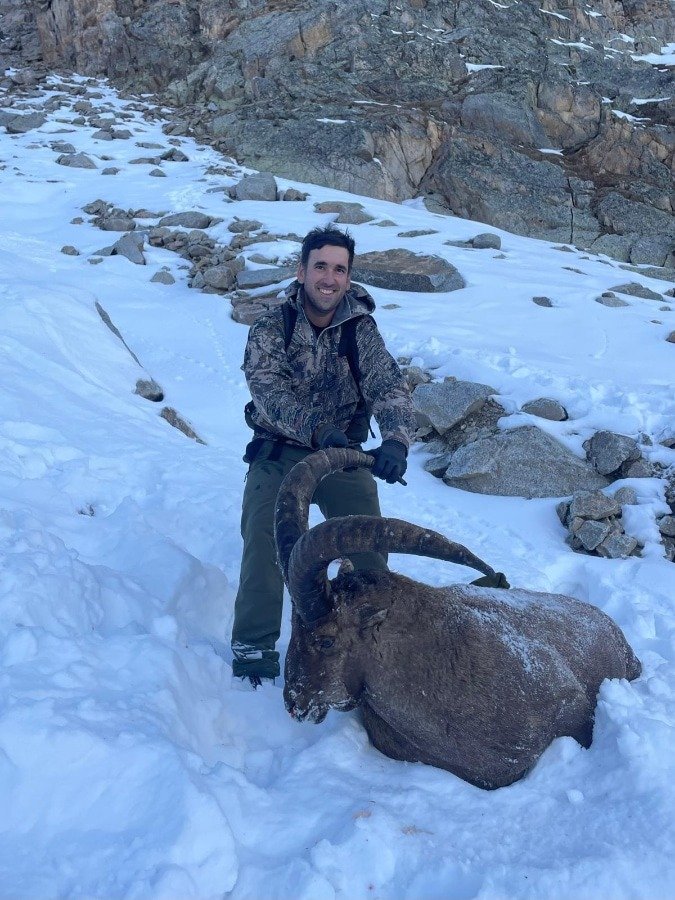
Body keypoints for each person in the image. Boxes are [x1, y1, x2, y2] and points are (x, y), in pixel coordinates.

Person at [231, 225, 417, 686]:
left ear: (349, 278)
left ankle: (377, 643)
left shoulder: (361, 330)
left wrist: (395, 440)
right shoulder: (272, 326)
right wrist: (318, 429)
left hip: (340, 457)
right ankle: (254, 650)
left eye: (340, 269)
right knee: (267, 545)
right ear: (301, 271)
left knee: (370, 545)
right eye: (321, 266)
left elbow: (387, 384)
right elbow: (268, 391)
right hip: (279, 452)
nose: (329, 278)